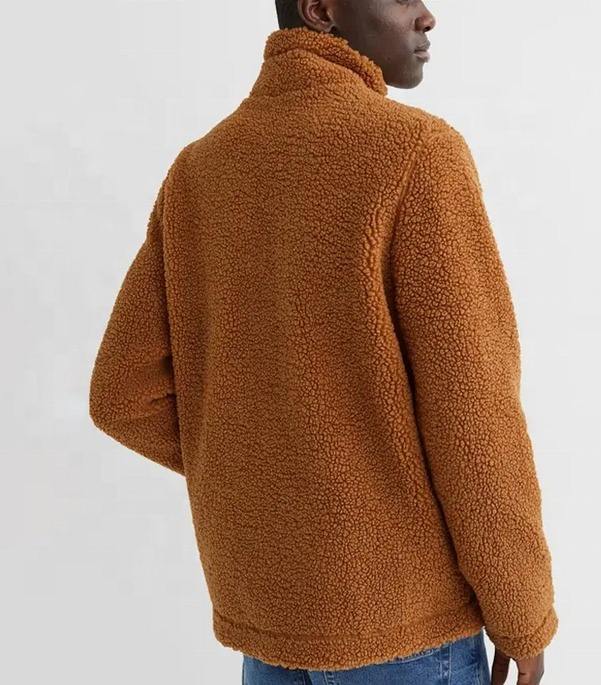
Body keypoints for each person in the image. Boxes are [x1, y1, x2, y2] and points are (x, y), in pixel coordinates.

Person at [88, 0, 559, 683]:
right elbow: (473, 415)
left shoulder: (200, 169)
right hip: (405, 620)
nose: (427, 16)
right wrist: (522, 611)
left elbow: (121, 395)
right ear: (320, 9)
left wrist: (277, 478)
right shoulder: (416, 153)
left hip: (271, 621)